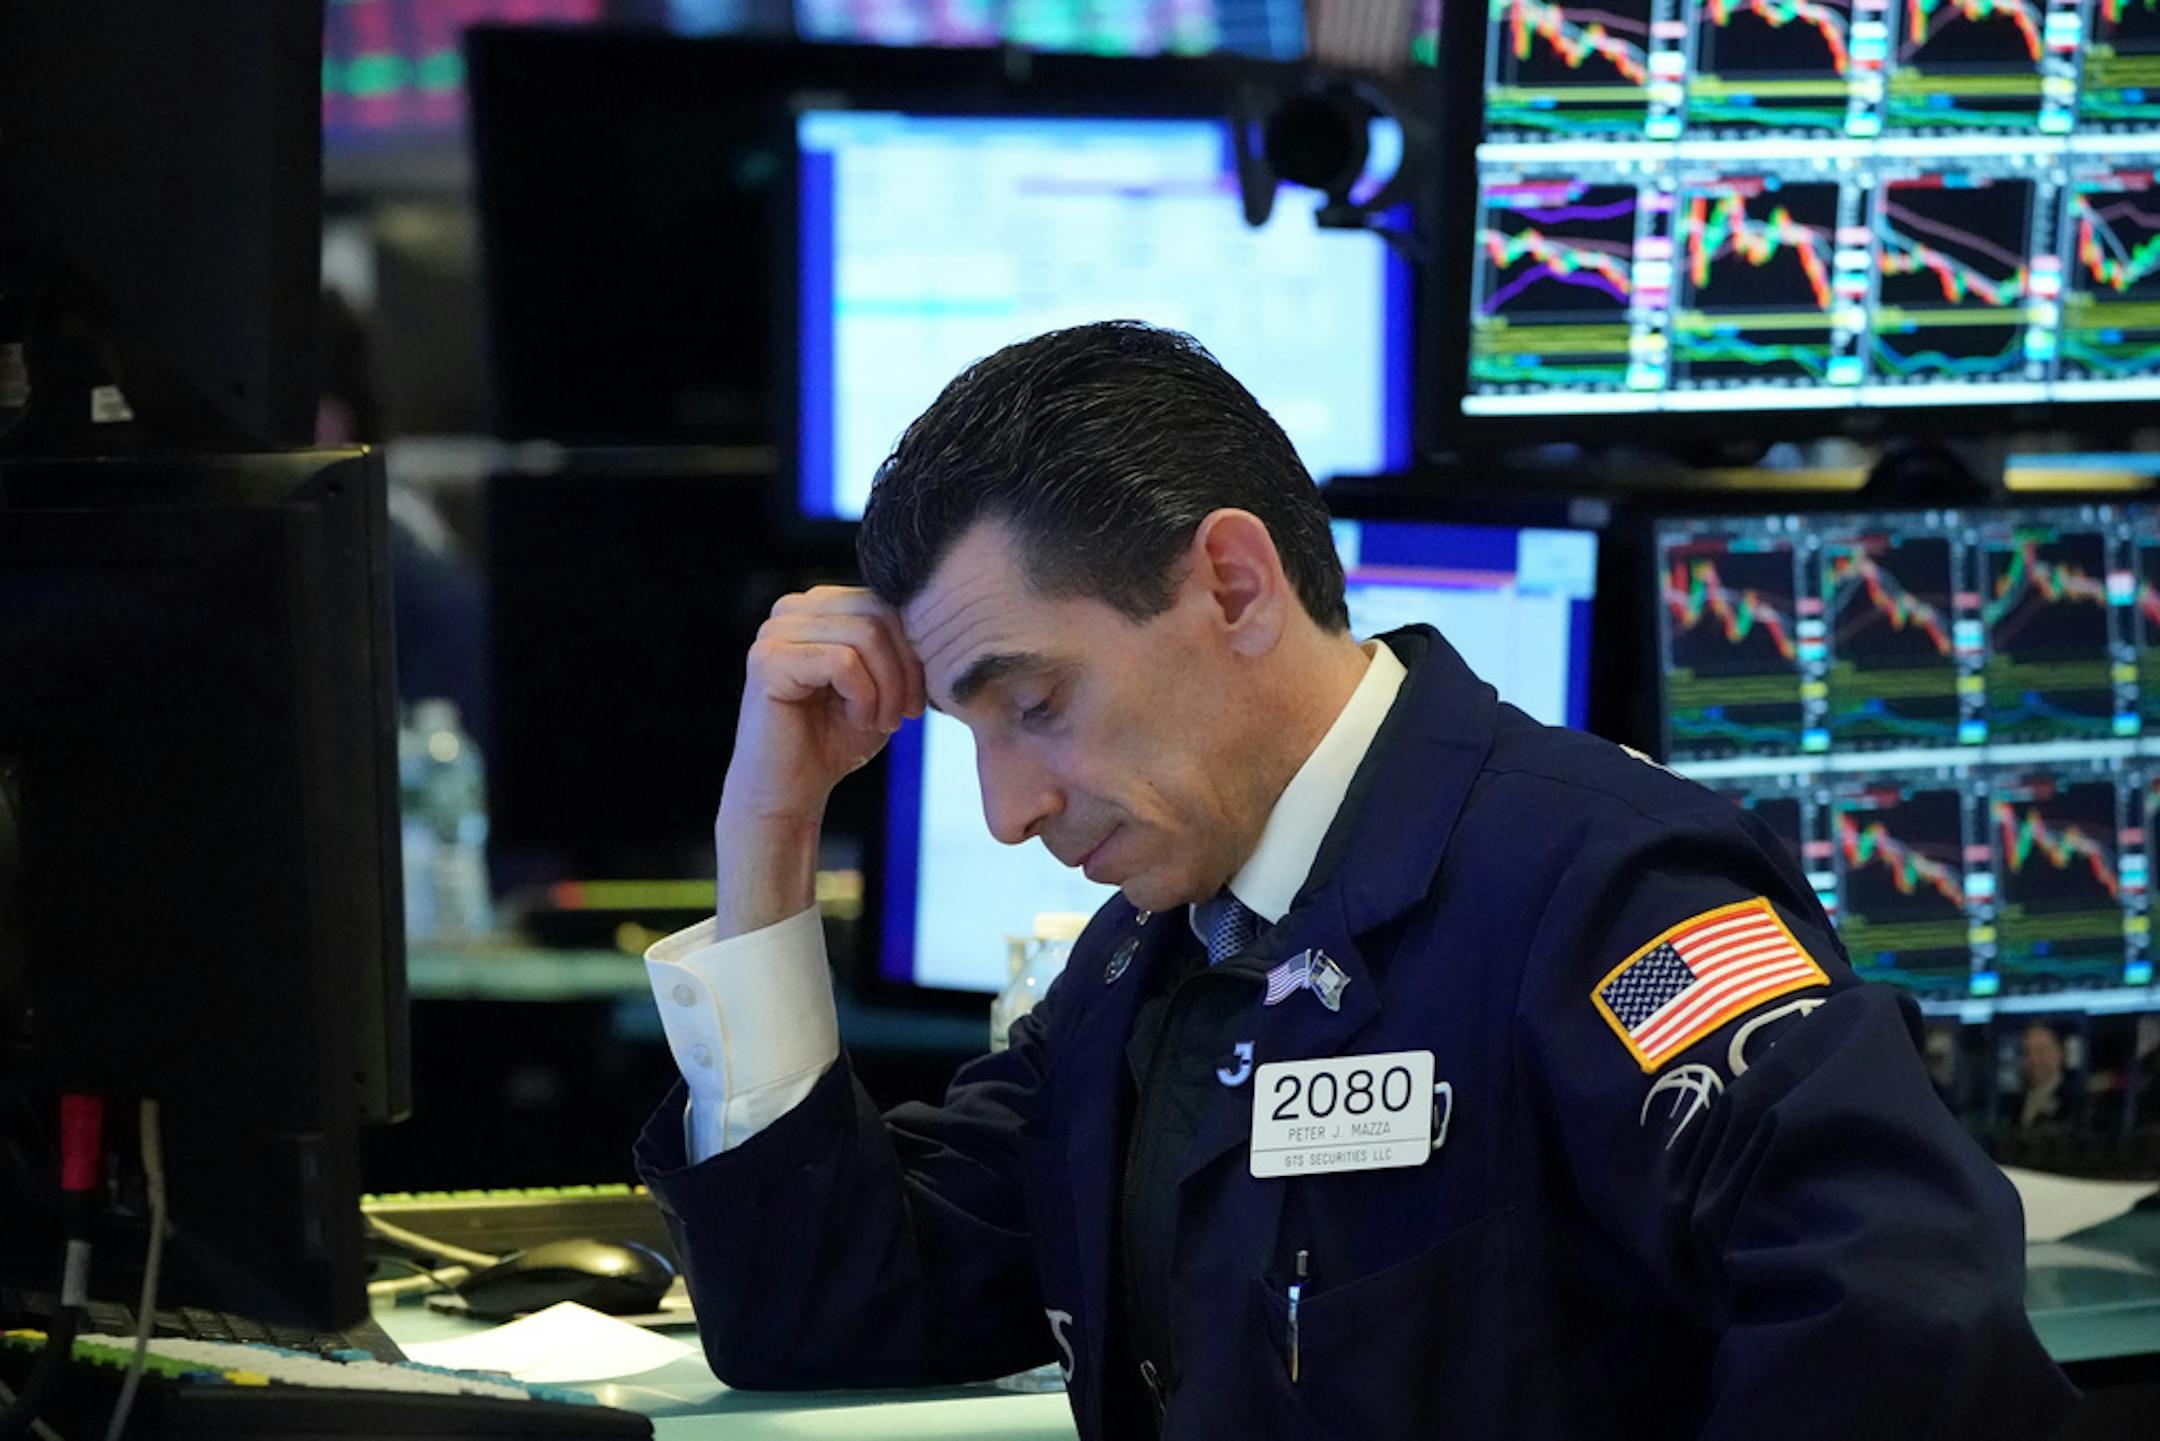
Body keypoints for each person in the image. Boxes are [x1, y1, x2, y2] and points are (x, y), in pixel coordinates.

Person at [633, 322, 2076, 1439]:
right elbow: (829, 1308)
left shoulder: (1598, 887)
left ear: (1235, 585)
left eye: (1037, 705)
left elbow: (1908, 1311)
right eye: (972, 734)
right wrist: (766, 831)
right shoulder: (1150, 965)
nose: (1008, 810)